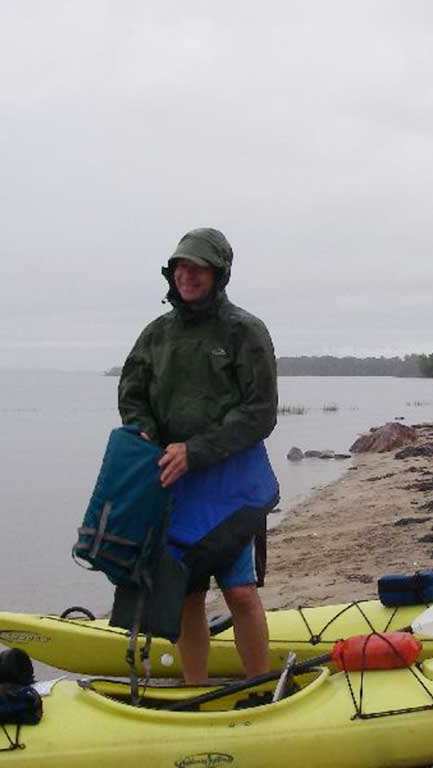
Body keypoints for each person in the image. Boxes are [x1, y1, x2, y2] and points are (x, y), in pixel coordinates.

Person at [118, 227, 279, 683]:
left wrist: (199, 450)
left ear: (218, 273)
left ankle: (260, 687)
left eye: (198, 268)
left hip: (231, 484)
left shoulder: (245, 331)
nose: (187, 276)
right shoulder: (156, 334)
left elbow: (260, 412)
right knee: (186, 594)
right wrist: (145, 434)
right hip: (175, 482)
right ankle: (195, 690)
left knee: (240, 592)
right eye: (180, 267)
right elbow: (132, 396)